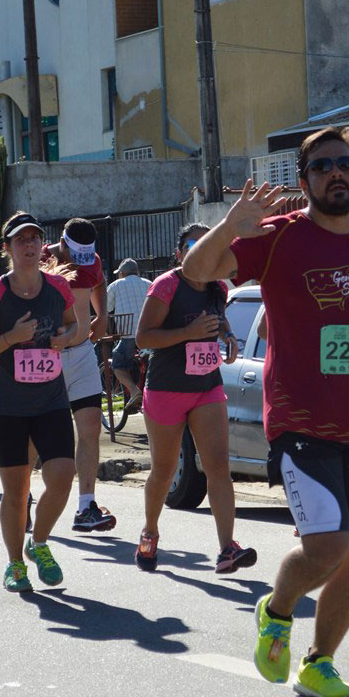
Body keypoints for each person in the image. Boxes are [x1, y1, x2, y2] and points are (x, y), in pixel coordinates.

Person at [183, 126, 349, 697]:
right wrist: (229, 224)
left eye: (344, 162)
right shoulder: (277, 236)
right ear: (304, 181)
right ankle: (276, 612)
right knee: (327, 546)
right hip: (300, 420)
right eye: (321, 166)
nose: (335, 173)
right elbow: (197, 272)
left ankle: (320, 663)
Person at [134, 223, 257, 574]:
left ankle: (227, 548)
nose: (202, 249)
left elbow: (220, 322)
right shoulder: (167, 285)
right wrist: (187, 333)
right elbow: (143, 338)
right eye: (193, 243)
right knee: (164, 471)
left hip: (206, 387)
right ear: (179, 253)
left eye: (209, 243)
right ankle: (150, 531)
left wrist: (229, 337)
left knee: (218, 467)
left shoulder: (218, 287)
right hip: (167, 389)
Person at [0, 212, 77, 593]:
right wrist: (11, 338)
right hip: (5, 406)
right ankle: (15, 564)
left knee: (62, 475)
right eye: (20, 240)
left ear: (42, 245)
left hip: (51, 399)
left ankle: (39, 543)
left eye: (34, 238)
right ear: (8, 248)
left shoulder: (58, 286)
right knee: (16, 490)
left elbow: (75, 324)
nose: (29, 245)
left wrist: (66, 337)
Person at [41, 218, 116, 533]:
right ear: (62, 242)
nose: (81, 261)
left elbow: (99, 281)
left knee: (90, 429)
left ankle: (86, 506)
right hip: (47, 358)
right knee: (39, 434)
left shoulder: (91, 260)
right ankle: (24, 498)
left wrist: (102, 315)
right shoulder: (41, 259)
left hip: (83, 353)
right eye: (76, 254)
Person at [106, 257, 151, 413]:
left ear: (122, 273)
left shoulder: (116, 285)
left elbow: (107, 307)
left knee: (117, 364)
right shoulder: (149, 283)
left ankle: (134, 390)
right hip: (150, 334)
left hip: (129, 335)